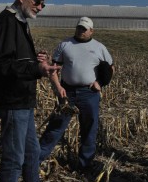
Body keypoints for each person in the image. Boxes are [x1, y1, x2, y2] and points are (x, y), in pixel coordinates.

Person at [0, 0, 60, 182]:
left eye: (43, 4)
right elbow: (0, 65)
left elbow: (16, 60)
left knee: (31, 153)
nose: (40, 7)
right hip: (12, 100)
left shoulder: (20, 22)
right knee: (14, 158)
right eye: (37, 1)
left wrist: (37, 61)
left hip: (23, 100)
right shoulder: (4, 23)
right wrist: (36, 68)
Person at [39, 16, 114, 172]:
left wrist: (100, 83)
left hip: (89, 93)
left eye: (84, 29)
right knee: (56, 126)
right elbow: (53, 70)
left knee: (89, 129)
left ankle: (84, 166)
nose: (81, 31)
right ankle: (37, 158)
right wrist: (58, 88)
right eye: (79, 28)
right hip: (67, 92)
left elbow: (111, 68)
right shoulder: (65, 45)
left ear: (91, 31)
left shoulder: (99, 47)